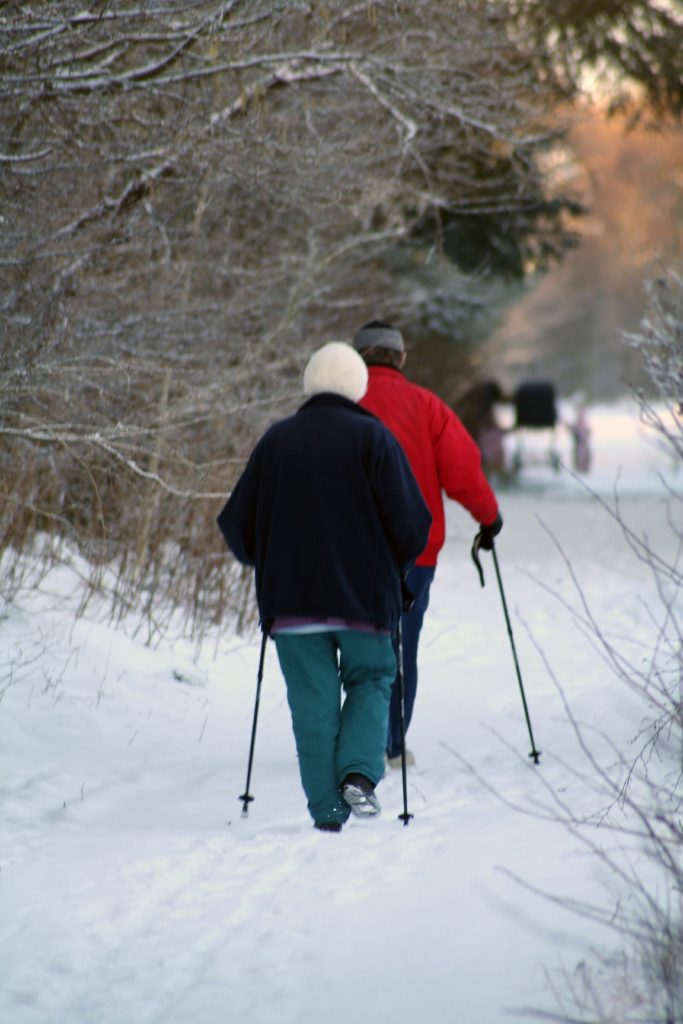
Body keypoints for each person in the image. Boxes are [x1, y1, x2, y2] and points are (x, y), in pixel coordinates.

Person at [217, 342, 431, 833]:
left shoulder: (277, 441)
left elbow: (236, 525)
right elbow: (413, 527)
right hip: (364, 601)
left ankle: (327, 811)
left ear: (309, 383)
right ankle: (358, 773)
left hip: (292, 604)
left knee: (312, 707)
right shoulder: (374, 439)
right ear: (358, 387)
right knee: (373, 679)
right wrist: (395, 564)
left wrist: (267, 561)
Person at [352, 320, 503, 767]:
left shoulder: (339, 406)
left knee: (357, 640)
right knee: (400, 642)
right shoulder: (427, 406)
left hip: (347, 551)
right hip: (413, 553)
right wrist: (489, 517)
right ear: (400, 359)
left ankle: (354, 738)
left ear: (356, 357)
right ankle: (391, 746)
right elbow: (462, 467)